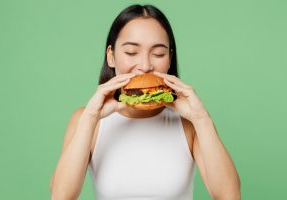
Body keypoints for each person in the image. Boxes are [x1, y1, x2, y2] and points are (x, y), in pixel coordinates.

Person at [50, 4, 241, 200]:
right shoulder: (86, 120)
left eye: (158, 54)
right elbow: (61, 196)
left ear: (169, 60)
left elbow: (229, 195)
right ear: (111, 56)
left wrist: (202, 118)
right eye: (131, 52)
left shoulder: (188, 122)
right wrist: (90, 117)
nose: (145, 66)